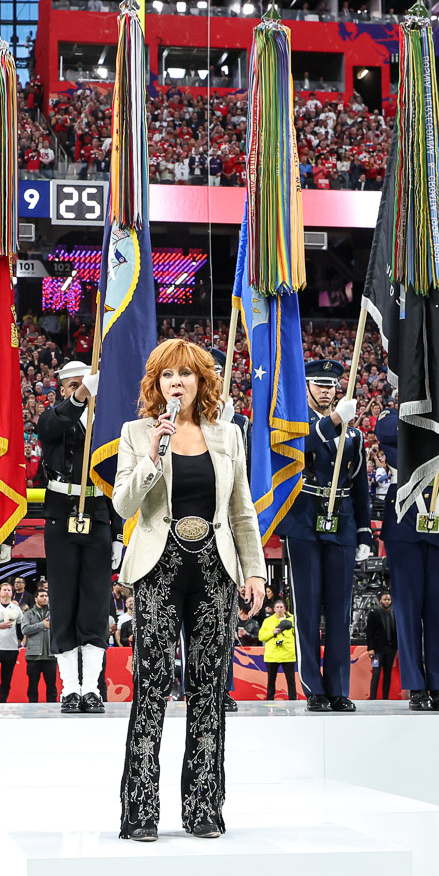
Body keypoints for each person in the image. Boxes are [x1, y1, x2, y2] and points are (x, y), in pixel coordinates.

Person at [113, 339, 266, 842]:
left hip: (214, 572)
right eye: (166, 374)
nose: (176, 382)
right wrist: (153, 455)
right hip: (159, 570)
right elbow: (122, 504)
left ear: (202, 381)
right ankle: (140, 811)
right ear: (156, 384)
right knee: (152, 685)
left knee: (208, 689)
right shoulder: (136, 432)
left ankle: (203, 807)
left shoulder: (228, 434)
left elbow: (241, 508)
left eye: (185, 373)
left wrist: (255, 571)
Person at [277, 359, 373, 712]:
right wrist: (332, 421)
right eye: (319, 384)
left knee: (339, 611)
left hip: (341, 522)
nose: (325, 391)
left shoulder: (354, 434)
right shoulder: (297, 424)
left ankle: (337, 687)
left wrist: (364, 532)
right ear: (306, 387)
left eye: (330, 385)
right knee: (306, 608)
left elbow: (359, 485)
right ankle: (313, 688)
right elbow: (300, 449)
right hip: (303, 520)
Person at [375, 404, 439, 711]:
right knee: (407, 612)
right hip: (404, 525)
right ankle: (416, 686)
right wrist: (430, 416)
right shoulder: (392, 418)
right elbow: (385, 434)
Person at [37, 360, 120, 713]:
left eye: (84, 384)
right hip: (61, 514)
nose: (79, 390)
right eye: (72, 385)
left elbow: (118, 478)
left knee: (95, 604)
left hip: (98, 514)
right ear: (61, 389)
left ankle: (91, 688)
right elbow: (49, 427)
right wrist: (81, 396)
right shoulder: (55, 416)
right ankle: (69, 687)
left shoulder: (107, 424)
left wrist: (118, 534)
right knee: (63, 601)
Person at [0, 582, 22, 703]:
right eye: (4, 590)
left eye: (9, 590)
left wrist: (19, 641)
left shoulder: (16, 608)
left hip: (11, 649)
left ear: (12, 593)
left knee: (6, 679)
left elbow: (20, 626)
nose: (6, 592)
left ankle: (3, 701)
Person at [22, 586, 58, 702]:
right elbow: (24, 629)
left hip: (50, 656)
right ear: (35, 599)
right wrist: (42, 625)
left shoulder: (55, 613)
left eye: (46, 596)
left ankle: (53, 707)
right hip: (33, 656)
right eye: (42, 596)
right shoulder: (29, 614)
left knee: (52, 686)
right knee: (32, 686)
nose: (45, 598)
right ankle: (31, 706)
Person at [258, 598, 297, 701]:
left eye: (281, 607)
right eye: (277, 607)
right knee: (271, 680)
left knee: (291, 680)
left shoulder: (293, 619)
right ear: (274, 609)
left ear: (285, 609)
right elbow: (261, 636)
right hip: (272, 655)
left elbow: (298, 635)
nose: (279, 609)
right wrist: (273, 632)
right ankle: (269, 700)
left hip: (288, 654)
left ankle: (293, 700)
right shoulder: (267, 621)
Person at [365, 591, 399, 700]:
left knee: (388, 674)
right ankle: (373, 698)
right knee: (376, 674)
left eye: (389, 599)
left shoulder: (394, 614)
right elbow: (369, 632)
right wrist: (370, 648)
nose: (387, 601)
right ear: (380, 600)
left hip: (390, 649)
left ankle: (385, 698)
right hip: (377, 650)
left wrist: (396, 647)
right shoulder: (374, 614)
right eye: (385, 599)